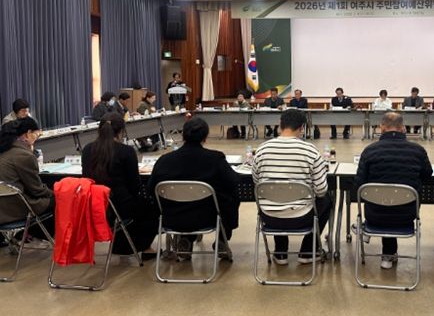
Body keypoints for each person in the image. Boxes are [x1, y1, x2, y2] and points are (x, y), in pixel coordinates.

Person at [245, 109, 331, 265]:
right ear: (302, 128)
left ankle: (280, 252)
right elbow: (321, 190)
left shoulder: (262, 149)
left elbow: (257, 183)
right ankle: (307, 251)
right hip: (301, 217)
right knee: (327, 199)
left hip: (269, 217)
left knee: (276, 196)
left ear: (280, 125)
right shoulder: (310, 151)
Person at [148, 118, 240, 259]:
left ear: (183, 135)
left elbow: (150, 189)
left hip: (172, 217)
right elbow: (234, 181)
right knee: (231, 196)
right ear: (205, 137)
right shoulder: (215, 159)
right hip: (208, 217)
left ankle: (186, 239)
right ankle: (222, 238)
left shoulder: (164, 160)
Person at [355, 112, 432, 269]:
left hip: (375, 215)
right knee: (393, 203)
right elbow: (427, 175)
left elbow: (359, 185)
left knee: (385, 202)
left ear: (381, 128)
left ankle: (387, 253)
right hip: (407, 214)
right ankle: (388, 254)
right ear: (403, 128)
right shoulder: (418, 151)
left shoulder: (370, 151)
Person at [81, 113, 158, 258]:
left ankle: (122, 244)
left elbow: (86, 178)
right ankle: (143, 247)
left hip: (95, 206)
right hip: (120, 207)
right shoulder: (126, 151)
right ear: (121, 131)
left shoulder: (87, 150)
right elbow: (134, 185)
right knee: (152, 205)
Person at [0, 117, 54, 237]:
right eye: (37, 134)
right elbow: (37, 190)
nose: (37, 137)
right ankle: (50, 238)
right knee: (59, 199)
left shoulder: (5, 149)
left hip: (3, 208)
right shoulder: (23, 155)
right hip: (14, 208)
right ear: (28, 134)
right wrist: (54, 193)